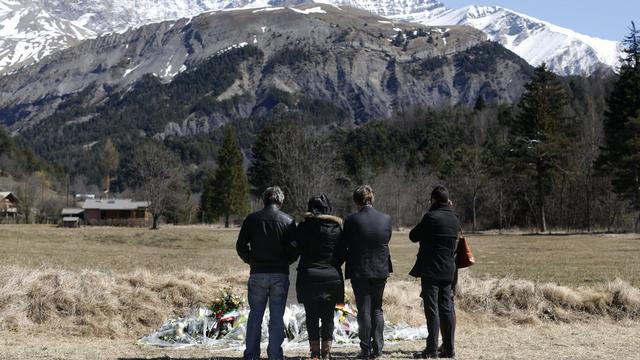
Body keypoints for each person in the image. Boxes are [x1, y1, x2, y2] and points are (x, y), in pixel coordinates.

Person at [236, 186, 297, 360]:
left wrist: (251, 260)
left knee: (255, 315)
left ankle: (251, 355)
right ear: (280, 201)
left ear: (264, 200)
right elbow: (295, 250)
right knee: (277, 317)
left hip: (257, 273)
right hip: (279, 273)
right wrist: (286, 262)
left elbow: (240, 246)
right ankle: (275, 355)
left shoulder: (251, 219)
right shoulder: (288, 221)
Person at [409, 186, 460, 359]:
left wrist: (431, 210)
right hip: (449, 270)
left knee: (432, 309)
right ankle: (449, 348)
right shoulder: (455, 219)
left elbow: (413, 235)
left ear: (434, 200)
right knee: (447, 307)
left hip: (431, 269)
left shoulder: (431, 217)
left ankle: (431, 349)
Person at [343, 185, 393, 359]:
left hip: (360, 269)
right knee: (377, 308)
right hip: (380, 268)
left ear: (356, 201)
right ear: (372, 199)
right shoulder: (386, 219)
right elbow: (386, 239)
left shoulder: (351, 220)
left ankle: (365, 349)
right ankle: (378, 348)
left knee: (364, 309)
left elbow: (345, 243)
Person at [293, 194, 345, 360]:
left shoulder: (303, 227)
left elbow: (295, 249)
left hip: (308, 275)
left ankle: (314, 353)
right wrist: (333, 264)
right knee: (328, 316)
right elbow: (343, 253)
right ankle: (326, 352)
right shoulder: (336, 229)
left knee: (311, 316)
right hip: (331, 275)